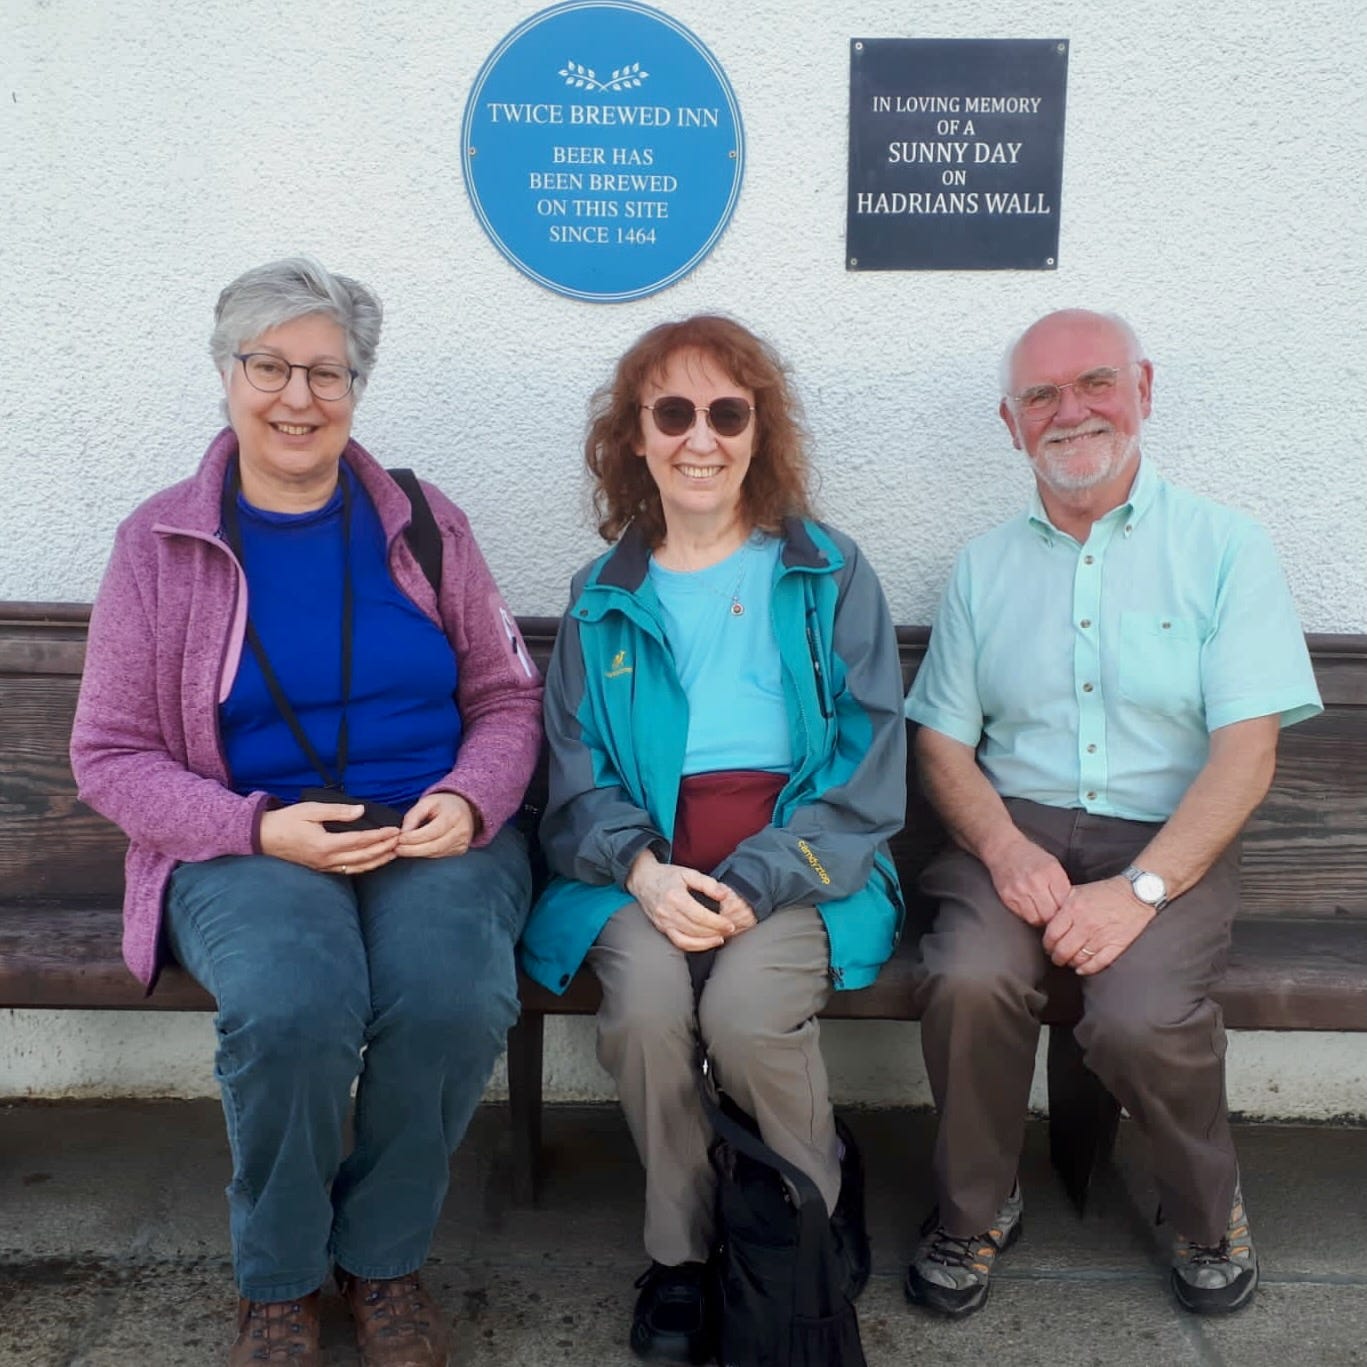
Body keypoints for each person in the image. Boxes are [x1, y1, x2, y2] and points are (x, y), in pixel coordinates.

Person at [70, 257, 542, 1367]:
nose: (296, 396)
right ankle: (280, 1275)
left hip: (430, 827)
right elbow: (109, 753)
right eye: (268, 365)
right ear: (227, 374)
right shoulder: (160, 543)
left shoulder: (427, 523)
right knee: (290, 1004)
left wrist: (471, 797)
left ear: (357, 387)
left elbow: (505, 694)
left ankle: (382, 1259)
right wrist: (251, 827)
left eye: (324, 372)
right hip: (249, 834)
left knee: (451, 993)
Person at [903, 308, 1322, 1319]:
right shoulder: (982, 566)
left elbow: (1244, 750)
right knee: (965, 977)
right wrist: (999, 844)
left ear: (1142, 388)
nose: (1068, 411)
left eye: (1093, 382)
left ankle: (1202, 1207)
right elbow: (941, 742)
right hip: (1017, 828)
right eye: (1039, 395)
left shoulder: (1223, 547)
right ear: (1010, 424)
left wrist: (1139, 887)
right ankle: (973, 1206)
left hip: (1164, 838)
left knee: (1137, 1016)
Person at [519, 315, 906, 1363]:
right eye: (673, 411)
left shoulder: (827, 572)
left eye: (726, 412)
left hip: (802, 867)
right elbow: (574, 772)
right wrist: (643, 871)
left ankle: (801, 1225)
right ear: (634, 436)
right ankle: (682, 1257)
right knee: (646, 1008)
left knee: (740, 1012)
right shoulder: (602, 597)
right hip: (636, 869)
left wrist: (756, 874)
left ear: (758, 431)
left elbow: (866, 761)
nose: (701, 436)